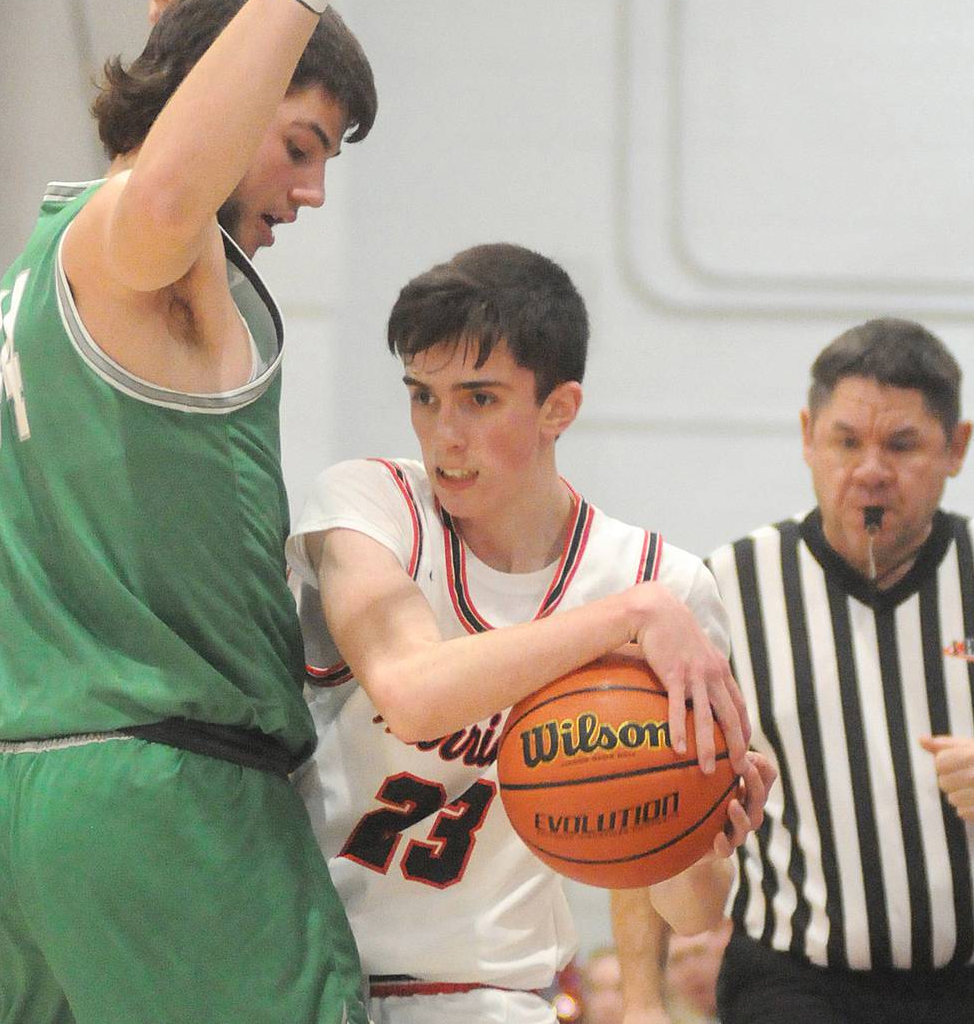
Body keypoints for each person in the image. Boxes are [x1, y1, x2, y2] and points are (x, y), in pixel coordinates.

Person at [0, 0, 406, 1022]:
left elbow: (158, 183)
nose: (308, 190)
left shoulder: (51, 255)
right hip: (163, 796)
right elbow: (162, 194)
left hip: (15, 803)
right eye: (298, 142)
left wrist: (175, 74)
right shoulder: (136, 241)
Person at [287, 244, 775, 1023]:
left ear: (559, 407)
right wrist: (625, 618)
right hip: (303, 973)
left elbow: (693, 912)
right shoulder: (371, 507)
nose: (443, 434)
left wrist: (699, 830)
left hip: (484, 993)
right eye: (423, 395)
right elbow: (414, 693)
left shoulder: (661, 579)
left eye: (479, 399)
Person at [617, 316, 974, 1023]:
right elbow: (636, 801)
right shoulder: (724, 590)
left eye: (902, 443)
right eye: (847, 440)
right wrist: (639, 1002)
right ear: (808, 436)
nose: (871, 468)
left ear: (956, 447)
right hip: (799, 980)